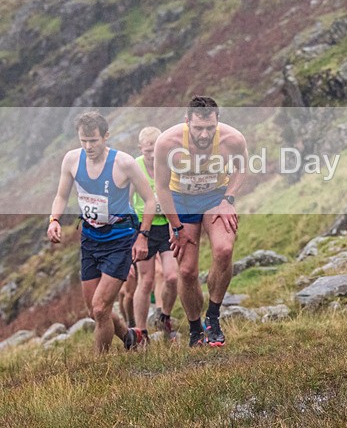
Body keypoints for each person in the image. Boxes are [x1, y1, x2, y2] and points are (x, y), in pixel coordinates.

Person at [47, 111, 156, 353]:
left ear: (106, 136)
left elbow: (149, 200)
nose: (88, 146)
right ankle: (131, 337)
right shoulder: (72, 160)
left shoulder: (123, 163)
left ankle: (100, 367)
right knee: (96, 311)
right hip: (90, 239)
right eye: (83, 141)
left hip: (119, 239)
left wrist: (143, 236)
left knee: (99, 307)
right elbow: (62, 195)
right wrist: (54, 220)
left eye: (93, 141)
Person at [154, 96, 248, 347]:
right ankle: (195, 329)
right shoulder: (167, 143)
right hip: (181, 201)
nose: (204, 134)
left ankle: (213, 317)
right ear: (187, 122)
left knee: (224, 249)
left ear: (218, 121)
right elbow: (161, 188)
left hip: (215, 197)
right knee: (186, 271)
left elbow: (242, 167)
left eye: (210, 128)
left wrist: (229, 199)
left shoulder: (233, 139)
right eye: (198, 128)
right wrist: (176, 227)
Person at [130, 126, 179, 340]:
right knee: (147, 280)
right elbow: (126, 200)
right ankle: (141, 332)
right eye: (147, 150)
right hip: (144, 228)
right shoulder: (134, 167)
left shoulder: (170, 164)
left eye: (155, 149)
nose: (151, 154)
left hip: (167, 225)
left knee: (172, 276)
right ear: (140, 148)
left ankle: (164, 315)